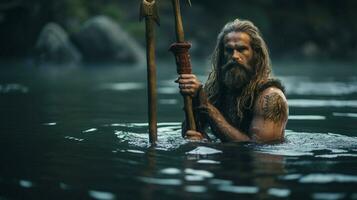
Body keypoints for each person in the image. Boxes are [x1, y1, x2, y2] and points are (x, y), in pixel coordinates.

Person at [175, 19, 288, 143]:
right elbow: (189, 132)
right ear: (222, 56)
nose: (234, 56)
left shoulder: (270, 97)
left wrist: (207, 107)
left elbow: (260, 150)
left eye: (241, 49)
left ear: (256, 54)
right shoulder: (215, 91)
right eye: (229, 50)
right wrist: (194, 100)